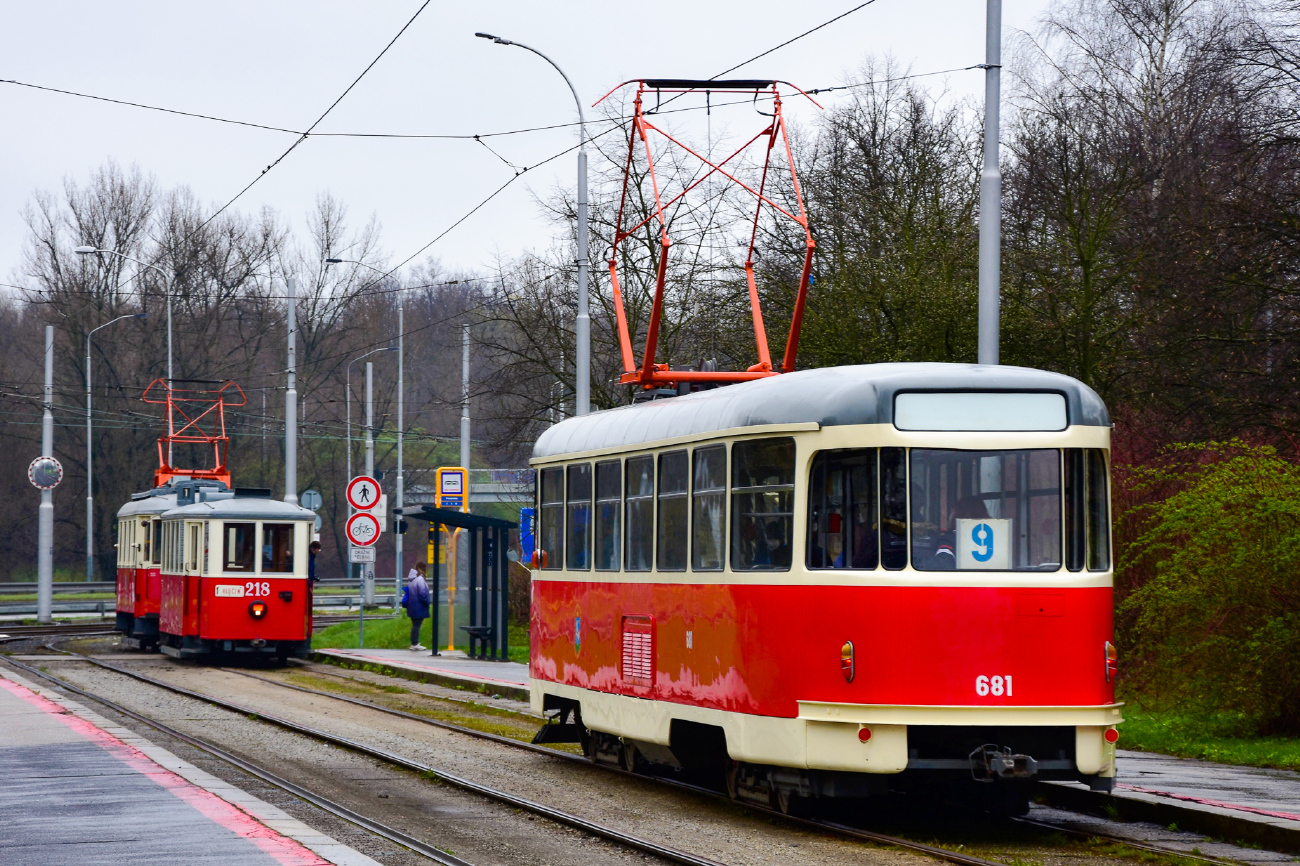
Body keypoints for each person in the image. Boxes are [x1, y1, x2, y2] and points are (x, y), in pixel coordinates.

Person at [404, 561, 430, 651]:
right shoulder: (420, 579)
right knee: (417, 626)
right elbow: (423, 593)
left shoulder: (412, 579)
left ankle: (414, 643)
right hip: (419, 606)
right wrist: (427, 602)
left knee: (415, 625)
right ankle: (415, 643)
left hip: (412, 605)